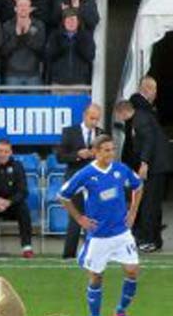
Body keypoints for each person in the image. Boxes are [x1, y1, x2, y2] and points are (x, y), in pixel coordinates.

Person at [59, 135, 143, 316]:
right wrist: (79, 218)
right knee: (96, 278)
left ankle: (120, 311)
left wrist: (133, 211)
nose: (111, 153)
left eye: (113, 149)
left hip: (121, 233)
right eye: (106, 150)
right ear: (95, 152)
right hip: (99, 236)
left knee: (132, 271)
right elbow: (63, 195)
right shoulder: (86, 174)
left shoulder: (121, 169)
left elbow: (138, 185)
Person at [114, 100, 172, 253]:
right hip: (156, 167)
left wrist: (144, 163)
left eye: (118, 115)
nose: (118, 118)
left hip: (155, 167)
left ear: (122, 112)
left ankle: (148, 240)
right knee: (152, 203)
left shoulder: (140, 121)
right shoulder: (138, 118)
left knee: (148, 204)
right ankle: (155, 240)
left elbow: (149, 141)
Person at [57, 103, 103, 259]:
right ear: (85, 116)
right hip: (75, 179)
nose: (94, 122)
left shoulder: (102, 134)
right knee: (76, 217)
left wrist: (97, 155)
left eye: (97, 119)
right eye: (92, 118)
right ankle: (68, 255)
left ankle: (93, 254)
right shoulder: (70, 132)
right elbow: (60, 156)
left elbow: (107, 159)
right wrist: (78, 154)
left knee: (94, 217)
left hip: (94, 180)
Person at [1, 0, 45, 86]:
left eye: (26, 6)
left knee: (34, 100)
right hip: (12, 74)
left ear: (30, 9)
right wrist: (17, 36)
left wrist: (26, 34)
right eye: (20, 6)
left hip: (33, 74)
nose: (23, 8)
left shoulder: (38, 25)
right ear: (15, 9)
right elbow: (4, 51)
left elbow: (40, 49)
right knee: (13, 100)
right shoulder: (7, 26)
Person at [47, 8, 95, 86]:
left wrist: (79, 43)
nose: (71, 23)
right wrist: (61, 47)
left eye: (73, 20)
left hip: (80, 83)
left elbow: (90, 56)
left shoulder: (85, 36)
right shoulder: (55, 36)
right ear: (63, 22)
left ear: (78, 22)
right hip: (58, 83)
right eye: (68, 21)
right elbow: (49, 55)